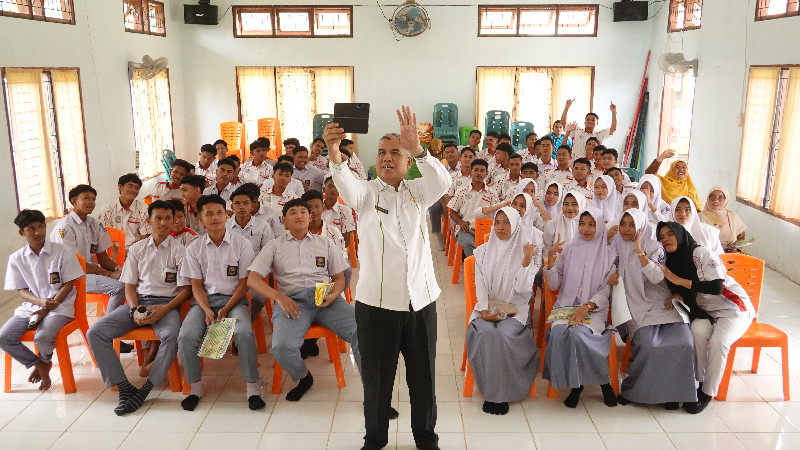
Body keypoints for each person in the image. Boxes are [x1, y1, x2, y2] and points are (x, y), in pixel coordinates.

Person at [323, 105, 451, 450]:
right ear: (374, 161)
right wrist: (335, 154)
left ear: (408, 162)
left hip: (420, 301)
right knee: (377, 380)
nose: (387, 157)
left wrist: (420, 148)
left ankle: (426, 438)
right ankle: (375, 439)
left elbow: (444, 181)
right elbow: (346, 187)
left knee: (423, 378)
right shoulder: (366, 194)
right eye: (381, 152)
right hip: (376, 305)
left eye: (396, 151)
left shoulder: (418, 192)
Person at [246, 198, 361, 401]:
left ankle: (372, 389)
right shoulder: (274, 245)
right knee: (281, 347)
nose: (299, 215)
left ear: (310, 217)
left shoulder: (324, 243)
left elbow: (339, 277)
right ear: (284, 220)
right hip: (292, 302)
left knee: (364, 332)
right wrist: (278, 297)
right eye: (293, 212)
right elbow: (252, 279)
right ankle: (304, 377)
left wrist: (334, 295)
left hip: (327, 299)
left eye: (303, 212)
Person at [87, 200, 193, 415]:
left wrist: (165, 309)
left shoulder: (180, 251)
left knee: (172, 336)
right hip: (138, 303)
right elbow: (129, 286)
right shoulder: (137, 248)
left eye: (167, 218)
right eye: (157, 218)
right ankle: (124, 386)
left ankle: (146, 388)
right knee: (96, 332)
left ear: (174, 221)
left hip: (166, 306)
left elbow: (186, 290)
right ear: (148, 220)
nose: (162, 223)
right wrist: (134, 309)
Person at [656, 222, 755, 414]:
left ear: (681, 234)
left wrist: (679, 282)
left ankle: (708, 393)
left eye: (670, 234)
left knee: (719, 342)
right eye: (661, 237)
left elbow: (715, 287)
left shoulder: (701, 253)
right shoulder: (672, 260)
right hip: (705, 312)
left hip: (734, 308)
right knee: (696, 332)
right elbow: (683, 290)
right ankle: (698, 383)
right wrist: (678, 293)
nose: (666, 239)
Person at [177, 194, 264, 412]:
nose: (215, 218)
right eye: (209, 213)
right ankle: (195, 387)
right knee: (186, 335)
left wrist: (226, 308)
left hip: (234, 302)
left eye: (219, 212)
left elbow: (244, 283)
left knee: (244, 332)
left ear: (227, 215)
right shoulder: (194, 248)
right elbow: (195, 285)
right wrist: (206, 309)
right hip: (203, 303)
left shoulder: (242, 244)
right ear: (200, 219)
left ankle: (252, 387)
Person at [609, 210, 696, 409]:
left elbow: (657, 277)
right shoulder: (615, 244)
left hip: (662, 301)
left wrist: (640, 252)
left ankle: (673, 393)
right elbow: (607, 268)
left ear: (641, 227)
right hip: (633, 302)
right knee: (649, 345)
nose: (626, 229)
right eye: (623, 224)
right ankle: (636, 390)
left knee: (684, 343)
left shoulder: (654, 246)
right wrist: (611, 277)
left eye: (632, 225)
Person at [467, 207, 541, 415]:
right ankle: (492, 393)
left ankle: (502, 395)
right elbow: (480, 286)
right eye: (497, 222)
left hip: (516, 311)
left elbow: (523, 291)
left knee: (503, 335)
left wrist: (525, 262)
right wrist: (483, 312)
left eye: (506, 222)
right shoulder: (482, 252)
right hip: (486, 309)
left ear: (516, 225)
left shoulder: (527, 252)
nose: (500, 227)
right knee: (488, 332)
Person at [543, 207, 618, 408]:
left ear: (600, 226)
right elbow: (553, 285)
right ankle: (575, 385)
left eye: (592, 224)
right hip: (566, 305)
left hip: (593, 308)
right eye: (582, 224)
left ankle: (603, 383)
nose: (586, 229)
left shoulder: (610, 255)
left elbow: (605, 290)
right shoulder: (568, 249)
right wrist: (550, 260)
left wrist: (587, 306)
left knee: (579, 335)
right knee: (557, 333)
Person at [1, 209, 83, 391]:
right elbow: (21, 290)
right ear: (22, 232)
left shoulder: (61, 251)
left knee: (43, 337)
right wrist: (39, 303)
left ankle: (45, 360)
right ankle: (39, 364)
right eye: (31, 228)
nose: (38, 232)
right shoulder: (17, 258)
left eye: (41, 226)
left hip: (60, 305)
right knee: (4, 337)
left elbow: (69, 283)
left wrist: (48, 306)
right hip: (31, 306)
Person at [51, 185, 126, 314]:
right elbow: (75, 265)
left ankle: (128, 317)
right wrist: (108, 274)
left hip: (89, 271)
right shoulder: (65, 227)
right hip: (71, 277)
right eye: (86, 198)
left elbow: (103, 259)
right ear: (74, 201)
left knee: (131, 278)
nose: (91, 202)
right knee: (119, 288)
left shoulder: (95, 224)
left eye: (93, 199)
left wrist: (119, 269)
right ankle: (108, 326)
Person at [227, 186, 275, 319]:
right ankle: (230, 325)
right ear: (231, 206)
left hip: (254, 274)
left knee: (259, 298)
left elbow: (268, 253)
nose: (242, 207)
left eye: (246, 203)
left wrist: (256, 271)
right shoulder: (225, 227)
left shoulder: (263, 226)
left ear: (252, 205)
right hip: (230, 274)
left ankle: (245, 324)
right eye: (237, 203)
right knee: (218, 297)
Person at [448, 159, 498, 258]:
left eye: (482, 171)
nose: (479, 173)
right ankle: (477, 270)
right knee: (469, 244)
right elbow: (452, 212)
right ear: (471, 172)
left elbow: (497, 215)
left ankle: (483, 268)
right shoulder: (462, 191)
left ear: (487, 173)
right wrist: (461, 223)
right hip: (466, 229)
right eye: (476, 170)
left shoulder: (492, 194)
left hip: (486, 231)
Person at [97, 173, 151, 249]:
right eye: (130, 186)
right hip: (113, 251)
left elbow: (145, 237)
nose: (133, 190)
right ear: (120, 187)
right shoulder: (107, 211)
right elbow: (105, 237)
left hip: (136, 251)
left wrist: (130, 254)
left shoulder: (144, 211)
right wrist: (117, 255)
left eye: (137, 188)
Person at [700, 186, 748, 252]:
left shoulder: (732, 216)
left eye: (721, 197)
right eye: (712, 196)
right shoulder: (699, 217)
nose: (716, 201)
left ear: (726, 199)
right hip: (707, 254)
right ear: (708, 198)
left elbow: (741, 237)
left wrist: (736, 247)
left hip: (730, 254)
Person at [542, 190, 588, 258]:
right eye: (566, 204)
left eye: (574, 204)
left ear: (581, 205)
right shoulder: (552, 226)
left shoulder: (588, 227)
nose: (570, 208)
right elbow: (546, 255)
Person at [322, 176, 356, 246]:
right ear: (324, 189)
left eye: (336, 187)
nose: (333, 190)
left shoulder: (345, 211)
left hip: (336, 250)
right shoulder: (316, 209)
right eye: (330, 186)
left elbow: (346, 239)